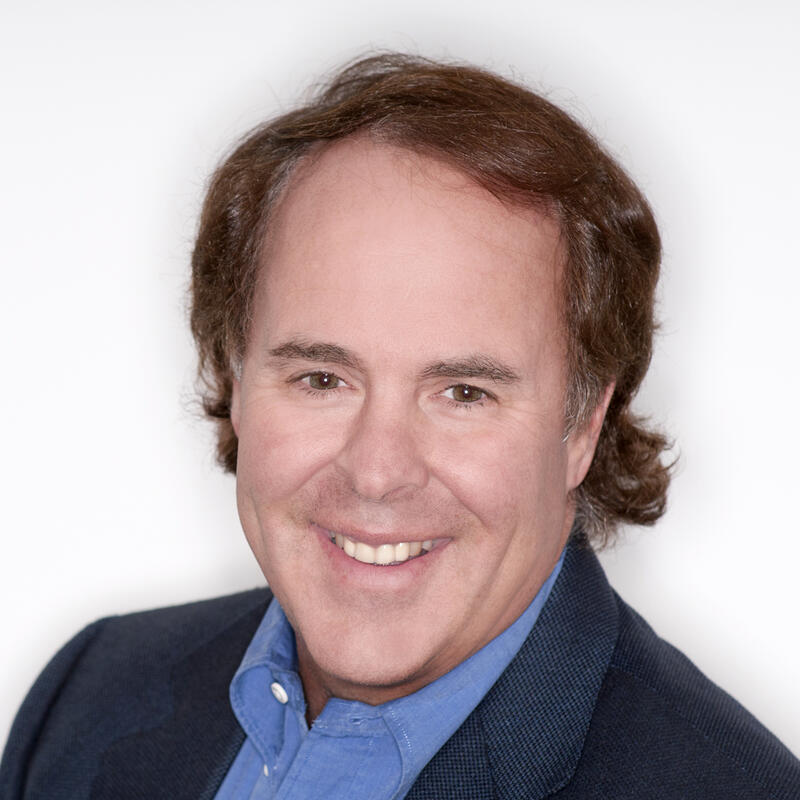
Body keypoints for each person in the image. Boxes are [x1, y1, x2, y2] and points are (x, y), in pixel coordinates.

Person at [1, 53, 798, 800]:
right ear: (236, 380)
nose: (377, 472)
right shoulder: (88, 696)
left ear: (583, 425)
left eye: (464, 393)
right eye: (321, 379)